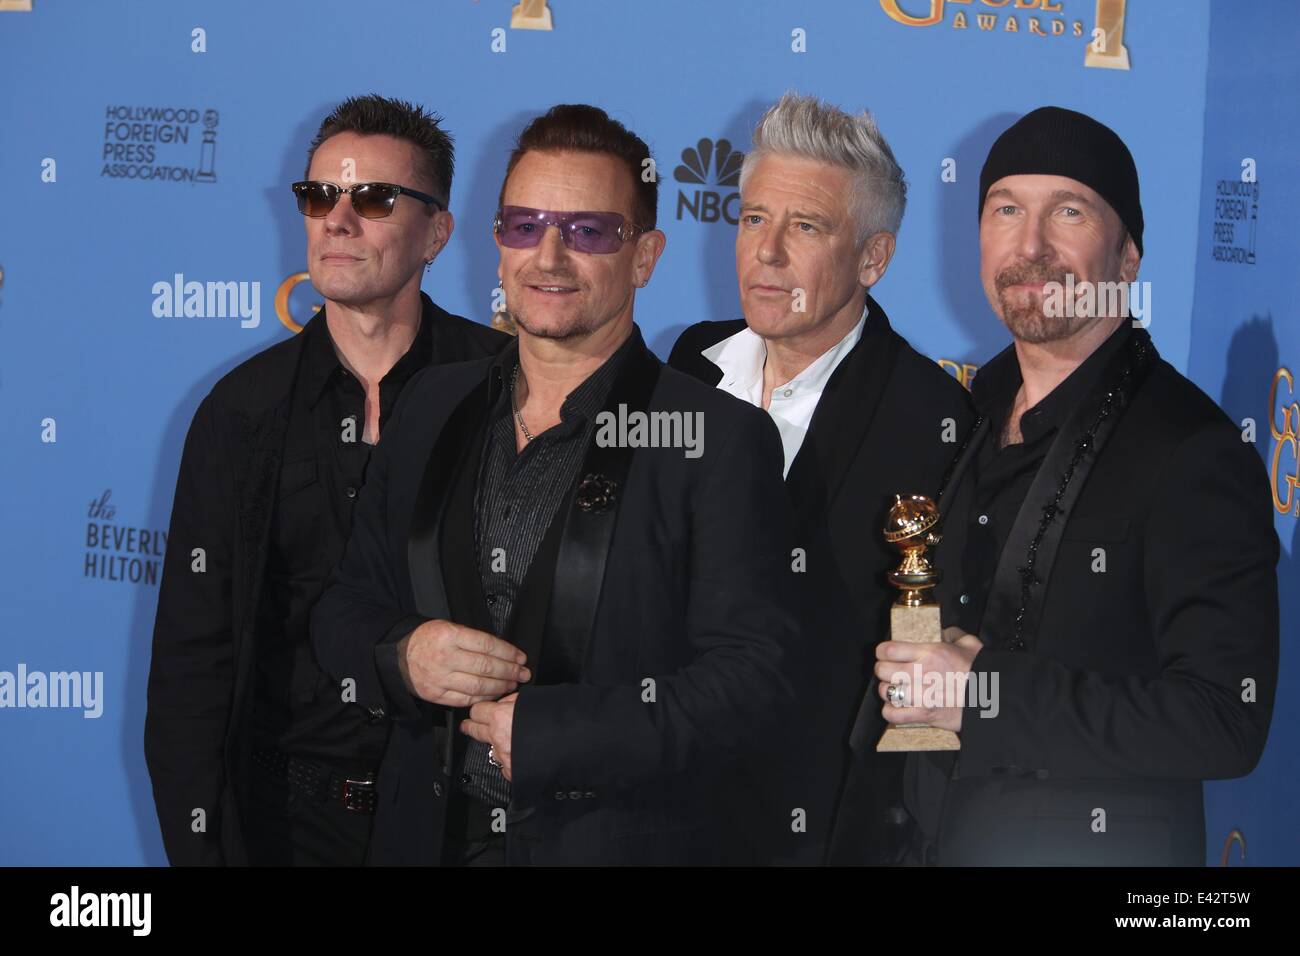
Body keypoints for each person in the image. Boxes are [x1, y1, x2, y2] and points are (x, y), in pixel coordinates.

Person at [310, 104, 802, 865]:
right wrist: (400, 654)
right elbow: (344, 607)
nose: (549, 256)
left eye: (589, 231)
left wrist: (562, 734)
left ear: (644, 257)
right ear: (497, 243)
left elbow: (752, 684)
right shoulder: (432, 404)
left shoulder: (717, 438)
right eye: (523, 225)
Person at [864, 106, 1279, 865]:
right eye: (1006, 210)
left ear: (1127, 259)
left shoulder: (1193, 451)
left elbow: (1227, 719)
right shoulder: (965, 417)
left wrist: (983, 694)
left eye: (1070, 211)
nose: (1030, 246)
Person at [145, 94, 508, 866]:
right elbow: (190, 670)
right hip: (285, 823)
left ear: (436, 232)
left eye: (374, 199)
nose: (337, 220)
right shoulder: (239, 414)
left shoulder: (503, 389)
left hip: (464, 814)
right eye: (318, 196)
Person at [670, 92, 974, 864]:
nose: (765, 254)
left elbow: (921, 663)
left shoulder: (932, 421)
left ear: (873, 258)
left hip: (813, 828)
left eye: (804, 226)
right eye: (752, 219)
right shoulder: (689, 366)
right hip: (657, 805)